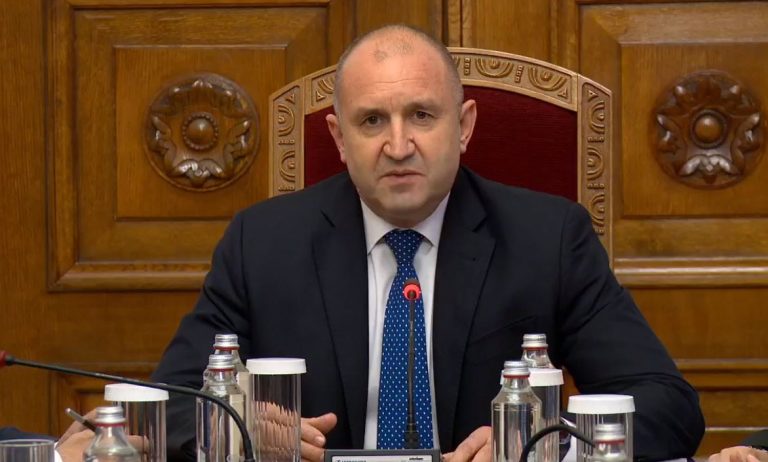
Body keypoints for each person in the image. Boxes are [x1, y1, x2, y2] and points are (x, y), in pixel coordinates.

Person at [60, 24, 704, 462]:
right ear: (339, 139)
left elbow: (668, 406)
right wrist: (240, 430)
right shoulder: (262, 244)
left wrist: (542, 444)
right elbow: (169, 407)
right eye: (373, 121)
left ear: (464, 126)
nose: (399, 145)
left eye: (421, 115)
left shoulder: (548, 238)